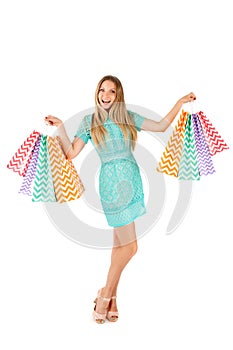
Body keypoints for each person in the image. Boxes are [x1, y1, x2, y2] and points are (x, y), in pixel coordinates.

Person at [45, 75, 196, 324]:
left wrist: (179, 102)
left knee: (119, 246)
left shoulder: (128, 118)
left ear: (118, 95)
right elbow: (71, 153)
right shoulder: (89, 122)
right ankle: (104, 294)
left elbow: (160, 126)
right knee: (132, 247)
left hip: (133, 181)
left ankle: (113, 297)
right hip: (112, 185)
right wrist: (61, 127)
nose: (105, 95)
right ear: (97, 93)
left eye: (111, 91)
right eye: (102, 90)